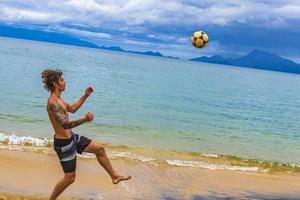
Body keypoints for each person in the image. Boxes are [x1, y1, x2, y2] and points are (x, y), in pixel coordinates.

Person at [41, 69, 131, 200]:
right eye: (62, 80)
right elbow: (65, 125)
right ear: (55, 84)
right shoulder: (53, 102)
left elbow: (72, 108)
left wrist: (85, 95)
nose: (64, 82)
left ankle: (114, 176)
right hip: (64, 145)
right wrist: (85, 119)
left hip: (72, 138)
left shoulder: (59, 99)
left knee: (99, 149)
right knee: (70, 178)